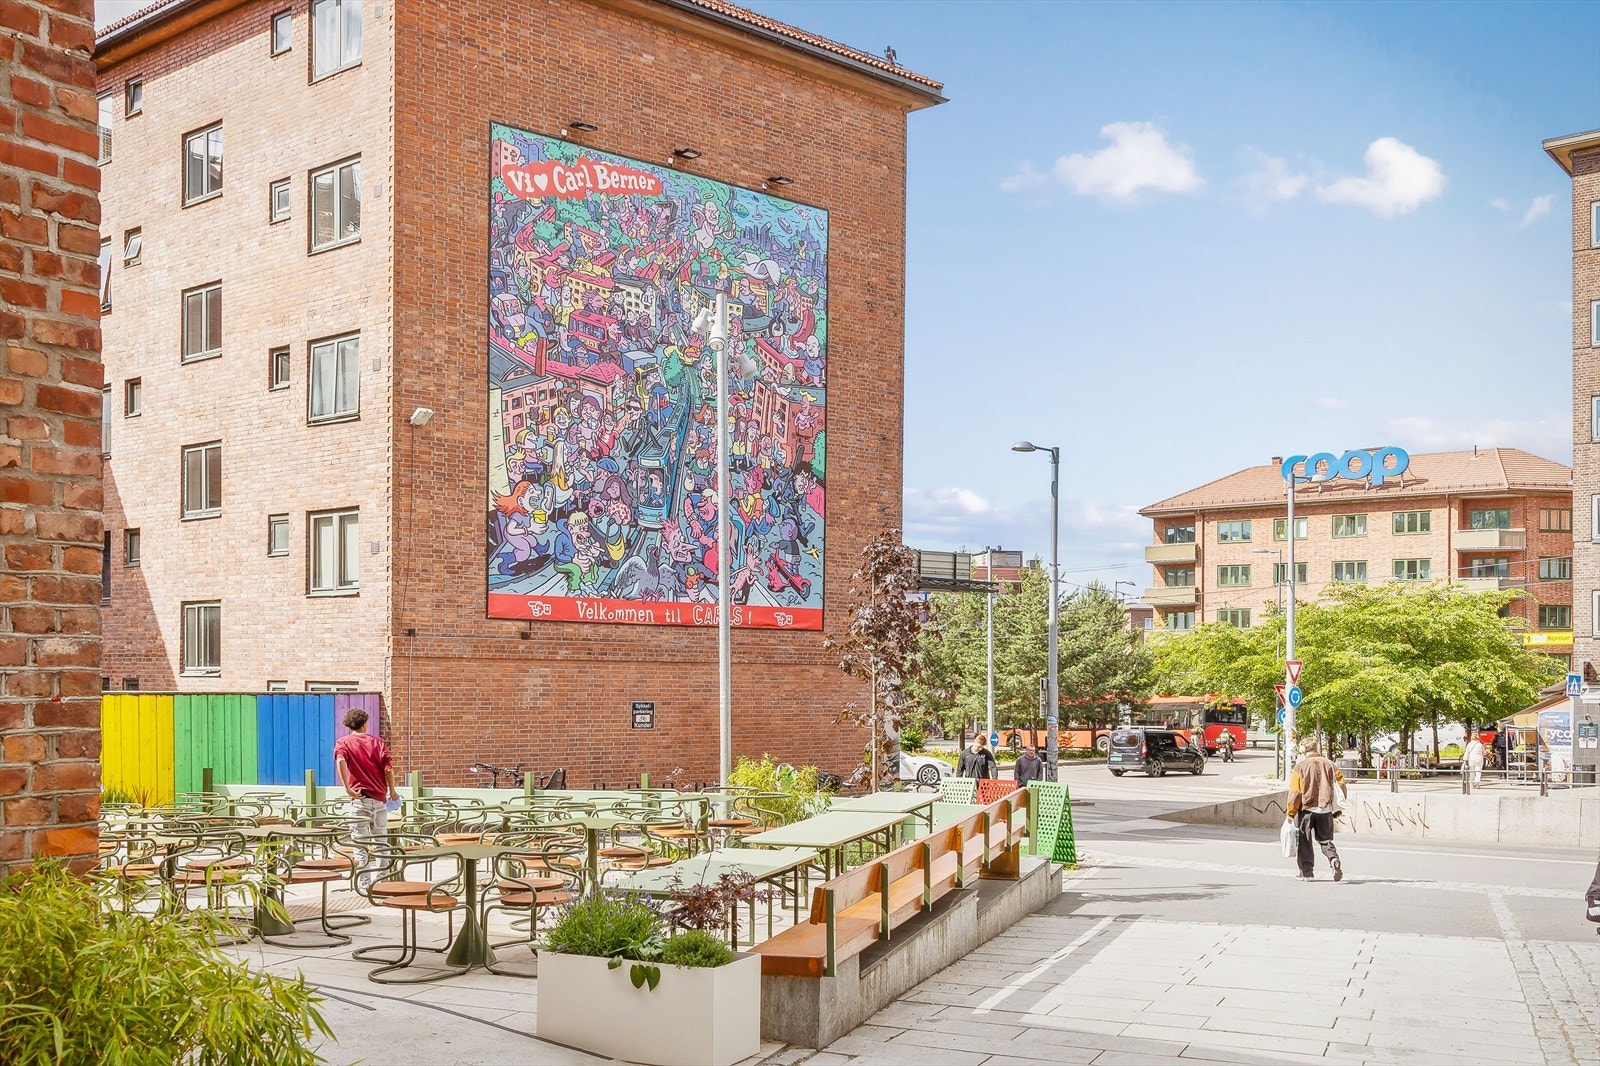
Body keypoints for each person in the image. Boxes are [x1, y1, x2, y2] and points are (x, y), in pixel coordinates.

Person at [334, 708, 398, 884]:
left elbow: (340, 761)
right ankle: (382, 883)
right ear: (364, 724)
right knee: (381, 844)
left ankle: (364, 886)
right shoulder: (377, 742)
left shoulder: (343, 742)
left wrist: (347, 788)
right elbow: (389, 769)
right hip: (378, 800)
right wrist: (392, 791)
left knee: (360, 845)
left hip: (359, 800)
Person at [1286, 736, 1348, 882]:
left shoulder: (1300, 767)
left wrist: (1290, 813)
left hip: (1307, 809)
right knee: (1325, 840)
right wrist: (1337, 808)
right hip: (1325, 810)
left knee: (1305, 840)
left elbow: (1295, 793)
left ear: (1303, 750)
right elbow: (1342, 786)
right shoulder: (1331, 765)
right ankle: (1333, 859)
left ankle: (1307, 873)